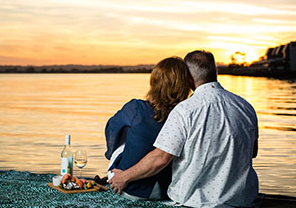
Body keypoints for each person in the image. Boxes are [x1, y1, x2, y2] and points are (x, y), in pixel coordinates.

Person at [109, 50, 259, 208]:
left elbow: (160, 159)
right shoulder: (245, 106)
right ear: (216, 71)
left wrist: (124, 177)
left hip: (195, 202)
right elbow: (252, 152)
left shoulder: (185, 110)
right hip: (242, 200)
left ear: (187, 78)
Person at [104, 57, 192, 200]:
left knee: (125, 129)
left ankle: (118, 170)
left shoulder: (136, 108)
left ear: (154, 82)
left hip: (130, 189)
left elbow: (111, 128)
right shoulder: (185, 115)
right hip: (165, 190)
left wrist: (112, 152)